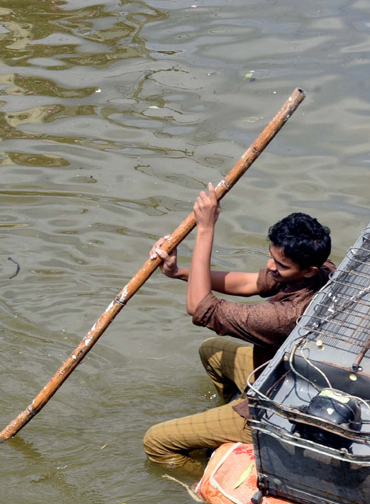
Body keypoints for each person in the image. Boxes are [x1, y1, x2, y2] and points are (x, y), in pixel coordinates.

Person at [143, 185, 334, 470]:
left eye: (280, 265)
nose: (270, 267)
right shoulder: (322, 269)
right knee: (212, 351)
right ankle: (220, 426)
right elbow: (248, 284)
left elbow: (198, 307)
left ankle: (214, 468)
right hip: (282, 371)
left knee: (156, 442)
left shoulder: (282, 316)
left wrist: (206, 228)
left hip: (276, 406)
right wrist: (179, 273)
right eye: (271, 256)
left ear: (308, 271)